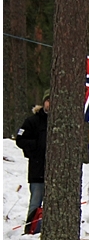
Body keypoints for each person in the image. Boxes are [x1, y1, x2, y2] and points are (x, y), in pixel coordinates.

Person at [15, 92, 49, 221]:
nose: (50, 104)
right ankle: (31, 230)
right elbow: (20, 139)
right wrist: (36, 147)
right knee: (36, 202)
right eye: (48, 100)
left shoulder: (61, 122)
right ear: (43, 102)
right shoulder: (32, 121)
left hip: (57, 173)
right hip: (37, 170)